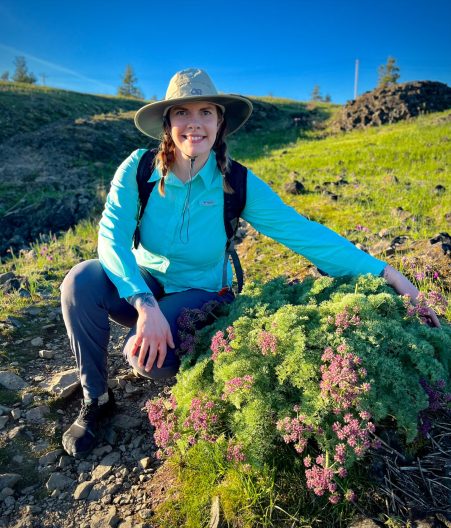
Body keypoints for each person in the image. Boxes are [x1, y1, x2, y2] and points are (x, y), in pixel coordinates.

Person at [60, 68, 440, 458]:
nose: (195, 124)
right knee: (80, 282)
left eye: (206, 112)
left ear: (220, 122)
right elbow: (111, 238)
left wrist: (388, 273)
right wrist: (143, 302)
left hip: (202, 293)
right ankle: (97, 398)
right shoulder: (139, 169)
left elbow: (304, 233)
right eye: (183, 113)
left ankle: (194, 355)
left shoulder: (236, 182)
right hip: (143, 284)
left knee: (144, 359)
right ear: (168, 122)